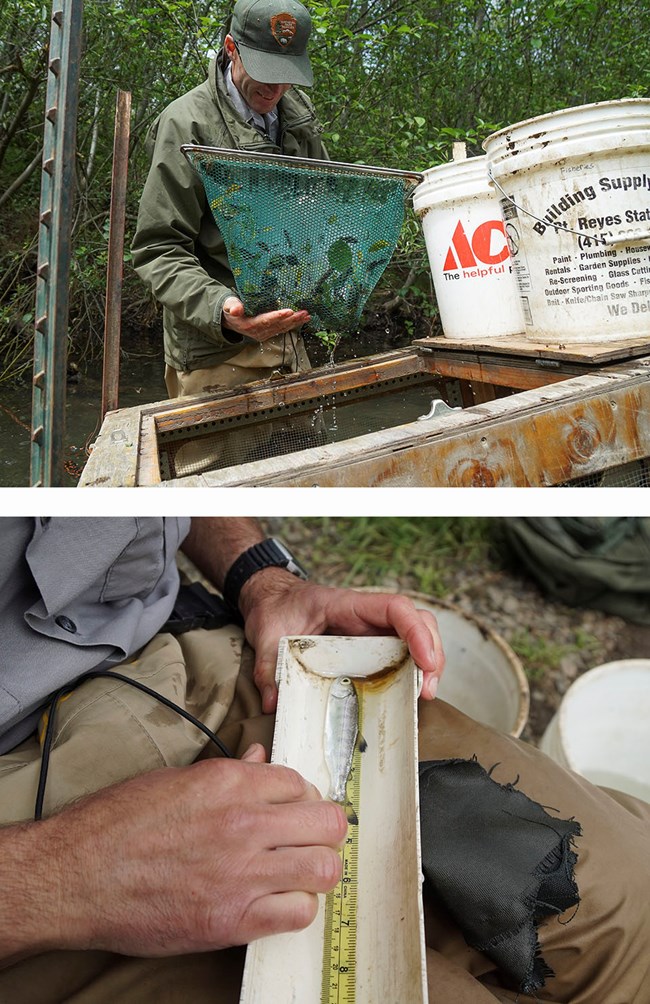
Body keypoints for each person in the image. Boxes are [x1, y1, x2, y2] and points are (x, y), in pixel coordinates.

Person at [0, 516, 648, 1004]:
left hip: (197, 666)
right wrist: (62, 877)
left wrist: (261, 576)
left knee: (634, 899)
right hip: (34, 855)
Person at [132, 0, 327, 401]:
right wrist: (222, 308)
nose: (275, 89)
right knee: (218, 464)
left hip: (290, 342)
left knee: (304, 459)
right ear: (230, 48)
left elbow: (322, 210)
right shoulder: (185, 123)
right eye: (264, 73)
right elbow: (158, 248)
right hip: (215, 355)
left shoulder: (298, 118)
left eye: (286, 76)